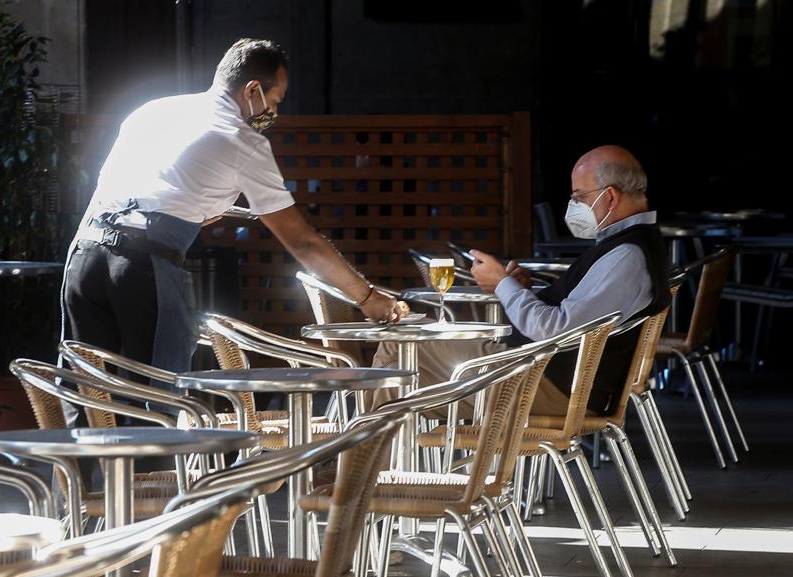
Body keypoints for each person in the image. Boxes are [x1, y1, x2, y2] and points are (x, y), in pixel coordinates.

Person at [63, 38, 401, 377]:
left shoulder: (152, 111)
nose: (275, 113)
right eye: (275, 100)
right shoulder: (243, 141)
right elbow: (303, 242)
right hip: (143, 267)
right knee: (154, 405)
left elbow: (129, 191)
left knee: (86, 389)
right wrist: (367, 298)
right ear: (252, 90)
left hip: (84, 256)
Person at [376, 145, 670, 415]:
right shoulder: (628, 247)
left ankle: (355, 465)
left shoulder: (627, 256)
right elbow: (580, 315)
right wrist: (521, 289)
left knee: (399, 346)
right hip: (543, 376)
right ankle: (368, 462)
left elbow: (556, 330)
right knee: (403, 376)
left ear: (609, 197)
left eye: (579, 197)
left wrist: (504, 285)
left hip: (547, 386)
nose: (573, 205)